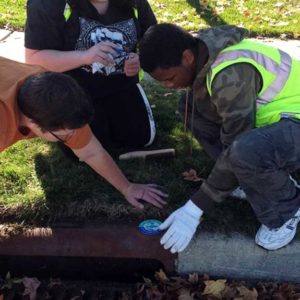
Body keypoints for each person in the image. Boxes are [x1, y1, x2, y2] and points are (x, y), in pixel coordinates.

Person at [139, 23, 300, 252]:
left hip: (295, 120)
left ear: (187, 57)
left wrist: (195, 208)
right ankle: (244, 178)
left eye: (170, 78)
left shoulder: (229, 74)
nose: (169, 86)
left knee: (245, 151)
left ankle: (286, 210)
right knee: (190, 108)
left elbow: (238, 144)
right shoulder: (205, 54)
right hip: (281, 120)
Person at [0, 56, 167, 209]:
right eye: (65, 135)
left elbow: (91, 152)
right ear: (33, 123)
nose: (74, 136)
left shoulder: (56, 99)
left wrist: (127, 187)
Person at [24, 0, 156, 157]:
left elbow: (153, 42)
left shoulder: (134, 2)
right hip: (72, 92)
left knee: (142, 137)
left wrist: (139, 59)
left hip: (121, 85)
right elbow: (33, 59)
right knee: (82, 150)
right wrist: (84, 57)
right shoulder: (47, 4)